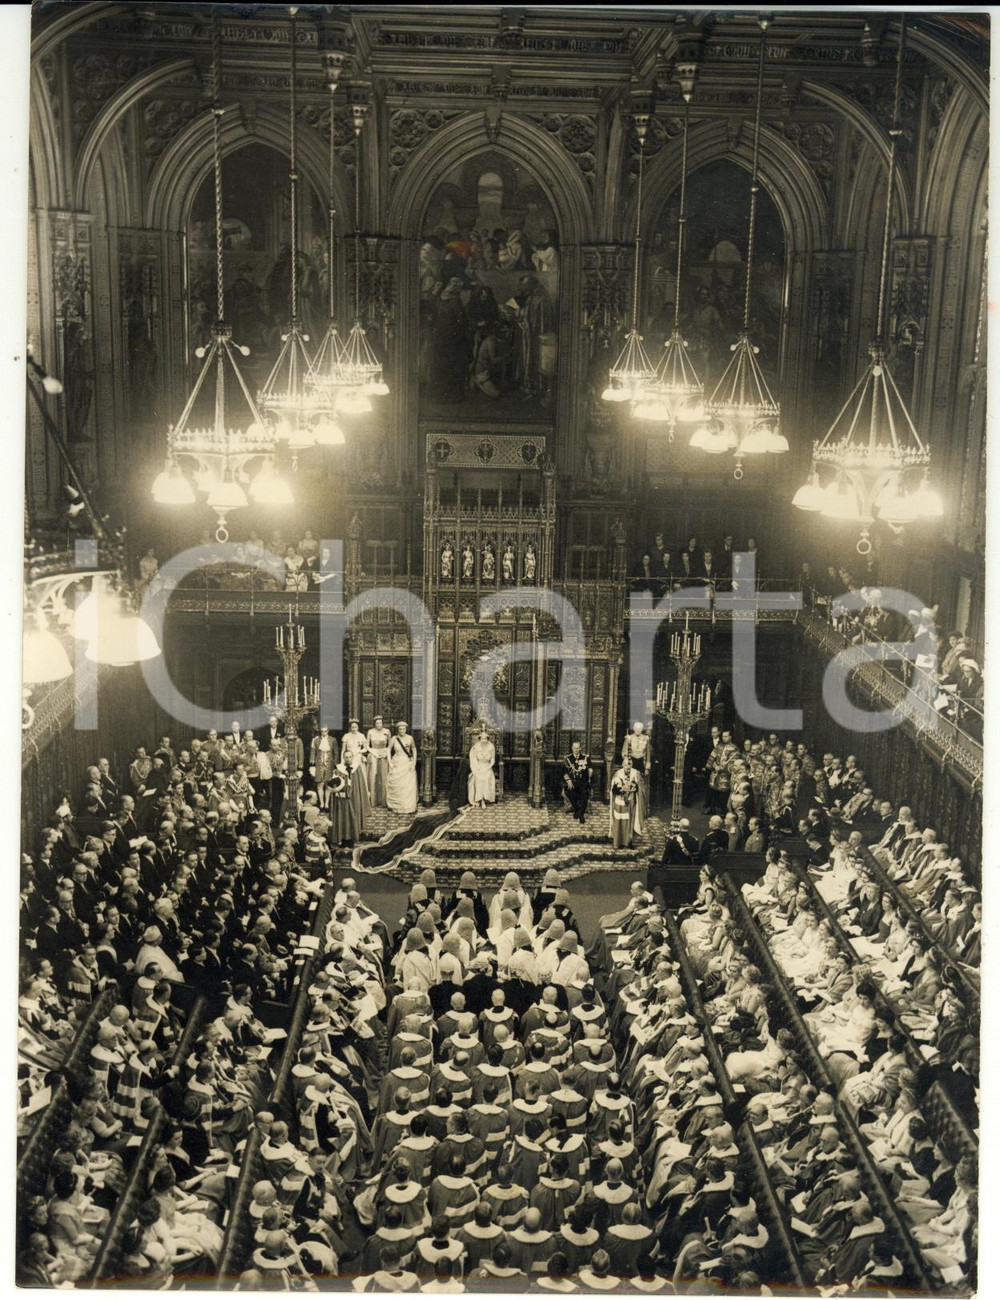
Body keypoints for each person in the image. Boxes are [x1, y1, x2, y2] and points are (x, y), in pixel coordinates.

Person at [609, 760, 642, 849]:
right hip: (619, 802)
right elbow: (613, 790)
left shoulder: (635, 774)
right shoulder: (618, 774)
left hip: (630, 802)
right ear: (623, 765)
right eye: (626, 764)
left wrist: (633, 787)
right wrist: (621, 790)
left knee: (629, 822)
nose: (628, 766)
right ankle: (618, 842)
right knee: (619, 821)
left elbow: (638, 789)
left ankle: (628, 841)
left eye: (630, 764)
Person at [388, 723, 419, 815]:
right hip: (396, 762)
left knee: (407, 785)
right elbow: (388, 749)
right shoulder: (394, 739)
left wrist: (414, 763)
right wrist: (390, 763)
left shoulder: (410, 738)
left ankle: (408, 806)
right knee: (397, 784)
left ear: (406, 729)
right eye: (400, 729)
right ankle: (396, 806)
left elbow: (414, 749)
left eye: (403, 729)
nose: (402, 731)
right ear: (398, 730)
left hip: (407, 762)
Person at [562, 743, 592, 824]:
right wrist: (568, 781)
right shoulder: (568, 758)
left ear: (580, 748)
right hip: (572, 782)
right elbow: (564, 772)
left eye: (577, 748)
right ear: (572, 748)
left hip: (583, 782)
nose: (576, 749)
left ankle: (581, 814)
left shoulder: (585, 758)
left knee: (584, 794)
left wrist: (590, 772)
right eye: (574, 748)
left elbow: (590, 768)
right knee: (571, 793)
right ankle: (577, 809)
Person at [468, 730, 497, 808]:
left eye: (485, 738)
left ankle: (486, 797)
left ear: (488, 739)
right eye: (482, 738)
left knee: (487, 778)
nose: (484, 740)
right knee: (479, 779)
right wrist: (478, 768)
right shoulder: (476, 747)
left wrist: (488, 767)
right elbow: (474, 759)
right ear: (479, 739)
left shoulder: (491, 746)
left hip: (487, 767)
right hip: (478, 767)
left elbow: (493, 760)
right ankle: (481, 800)